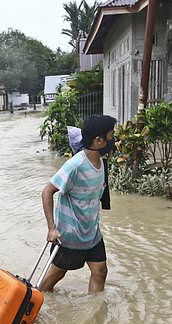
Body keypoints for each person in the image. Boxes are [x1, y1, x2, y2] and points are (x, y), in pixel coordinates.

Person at [40, 115, 117, 293]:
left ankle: (95, 313)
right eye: (111, 136)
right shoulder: (75, 165)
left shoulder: (102, 163)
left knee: (100, 271)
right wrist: (52, 229)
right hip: (70, 236)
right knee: (56, 276)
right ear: (99, 141)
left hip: (92, 233)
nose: (114, 140)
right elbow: (47, 192)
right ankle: (36, 303)